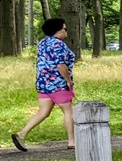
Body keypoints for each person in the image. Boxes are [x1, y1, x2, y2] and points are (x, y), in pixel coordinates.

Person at [12, 18, 77, 151]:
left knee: (43, 112)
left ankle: (22, 134)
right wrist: (69, 81)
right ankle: (71, 141)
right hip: (58, 83)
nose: (66, 31)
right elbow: (61, 65)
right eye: (65, 29)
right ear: (58, 30)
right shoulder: (59, 44)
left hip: (43, 83)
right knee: (68, 111)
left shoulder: (43, 43)